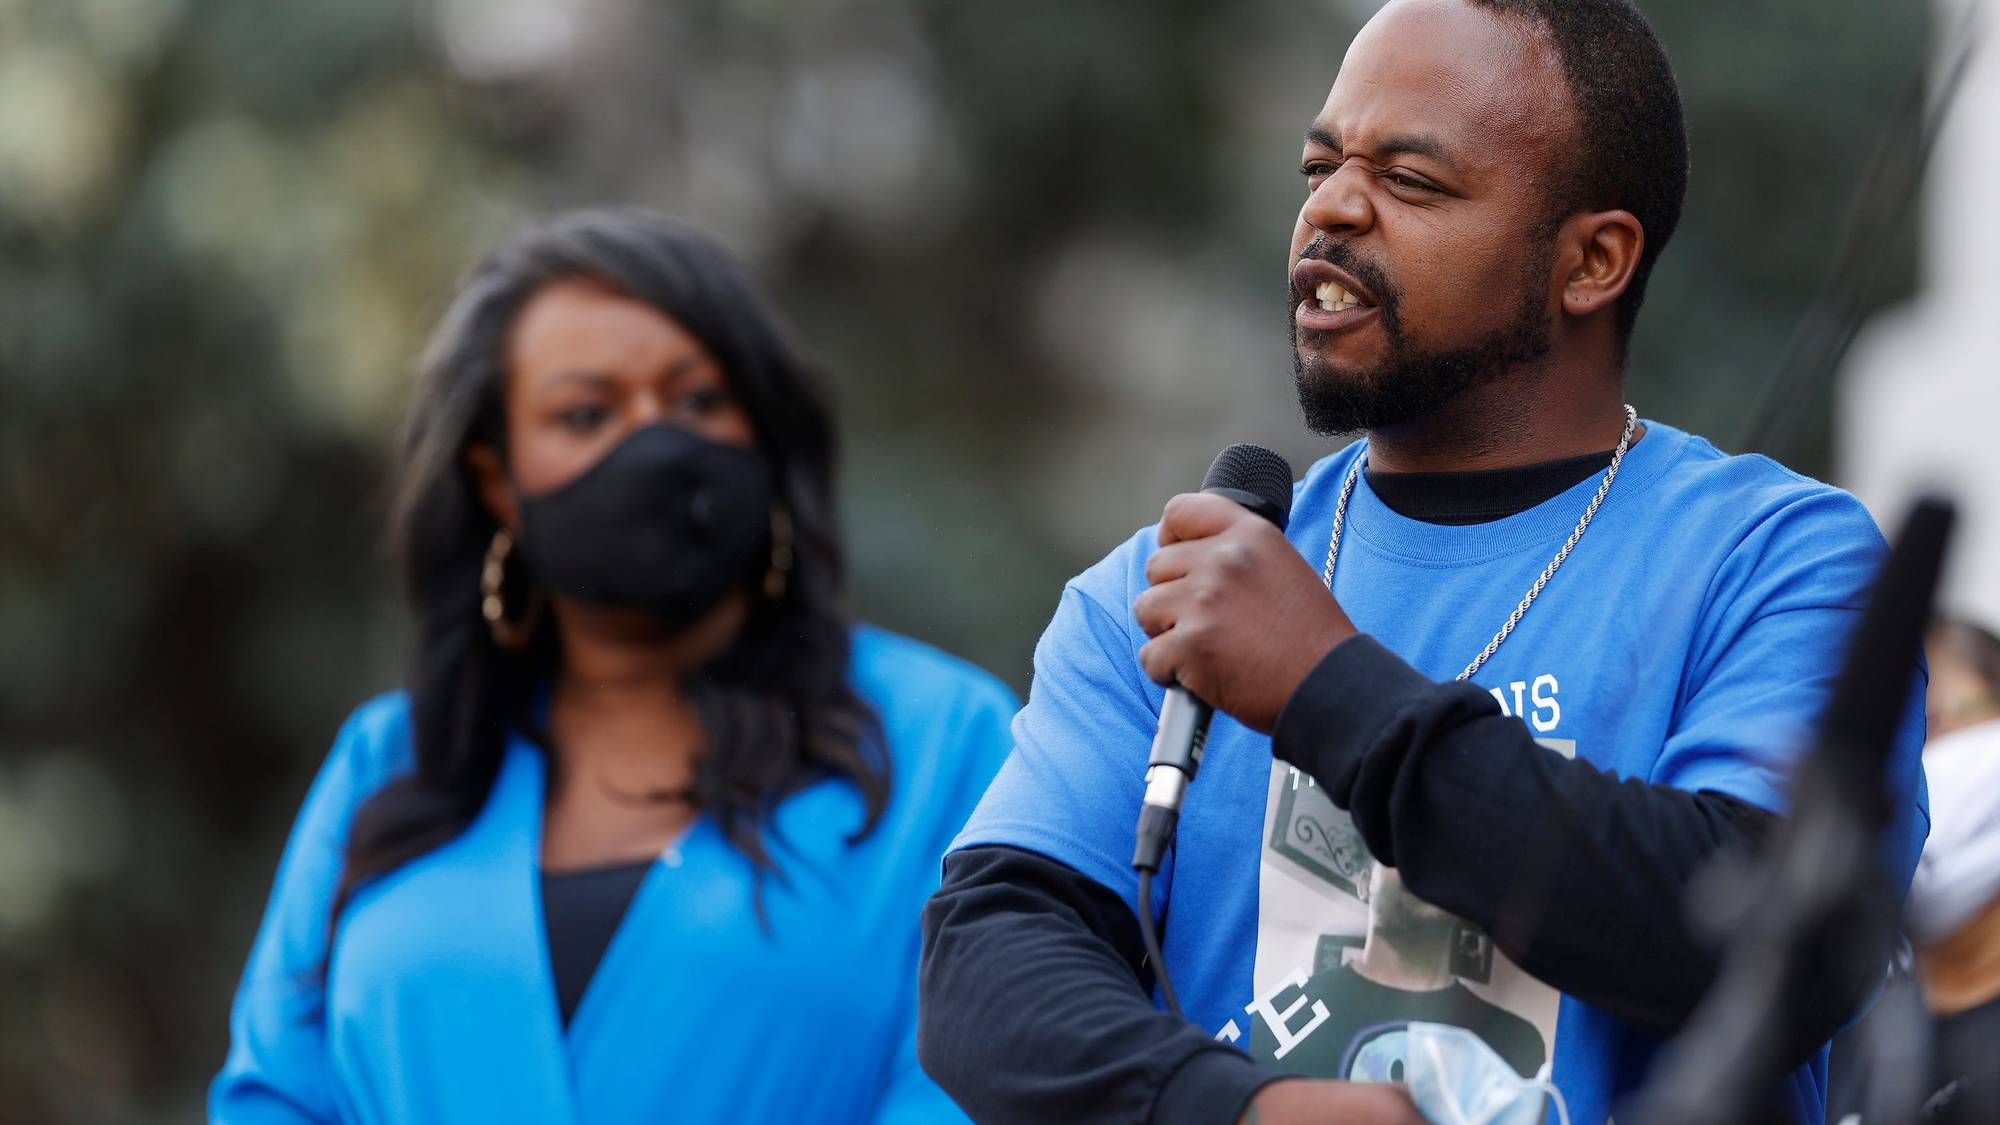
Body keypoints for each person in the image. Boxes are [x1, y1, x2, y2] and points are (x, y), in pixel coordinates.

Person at [916, 3, 1929, 1124]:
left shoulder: (1772, 560)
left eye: (1409, 180)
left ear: (1592, 261)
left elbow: (1776, 942)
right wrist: (1239, 1111)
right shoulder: (1168, 592)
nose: (1331, 209)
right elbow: (986, 970)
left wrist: (1329, 690)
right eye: (1320, 168)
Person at [211, 209, 1018, 1124]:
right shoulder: (391, 763)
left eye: (699, 401)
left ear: (764, 436)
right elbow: (275, 1092)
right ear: (497, 481)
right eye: (587, 414)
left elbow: (989, 1077)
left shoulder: (946, 743)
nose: (652, 443)